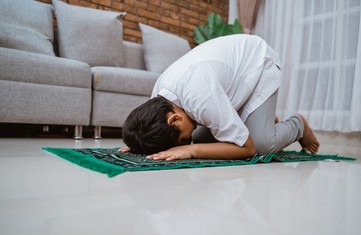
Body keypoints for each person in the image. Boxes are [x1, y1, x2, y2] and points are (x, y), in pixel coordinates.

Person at [121, 34, 319, 161]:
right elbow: (145, 127)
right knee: (208, 141)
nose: (186, 141)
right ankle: (262, 122)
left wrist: (191, 151)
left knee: (261, 145)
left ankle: (298, 125)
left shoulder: (201, 97)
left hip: (259, 64)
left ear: (175, 119)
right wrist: (140, 143)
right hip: (226, 83)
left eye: (183, 139)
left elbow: (246, 149)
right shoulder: (158, 98)